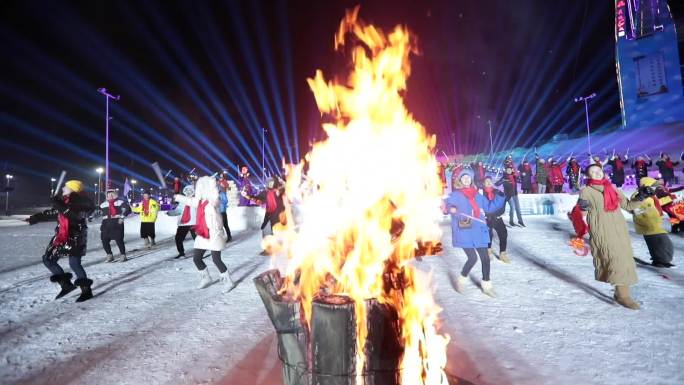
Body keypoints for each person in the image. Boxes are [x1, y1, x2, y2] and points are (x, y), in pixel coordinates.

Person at [574, 164, 642, 310]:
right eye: (593, 172)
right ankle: (623, 295)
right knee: (615, 259)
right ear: (588, 176)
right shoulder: (586, 191)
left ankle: (620, 293)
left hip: (619, 229)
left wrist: (642, 196)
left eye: (598, 171)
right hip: (602, 229)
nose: (597, 173)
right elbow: (581, 213)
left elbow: (628, 206)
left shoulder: (613, 188)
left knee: (624, 258)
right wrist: (581, 208)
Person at [444, 168, 505, 296]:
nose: (466, 179)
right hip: (464, 231)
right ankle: (462, 280)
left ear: (471, 180)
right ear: (460, 180)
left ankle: (487, 286)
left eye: (468, 177)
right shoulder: (456, 195)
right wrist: (451, 208)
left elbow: (489, 207)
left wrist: (500, 197)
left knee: (485, 259)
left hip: (478, 230)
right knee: (472, 258)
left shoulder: (477, 194)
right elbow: (447, 205)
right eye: (463, 177)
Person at [174, 176, 233, 289]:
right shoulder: (199, 202)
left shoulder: (213, 202)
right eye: (199, 188)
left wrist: (212, 185)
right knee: (196, 258)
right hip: (202, 233)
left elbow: (215, 198)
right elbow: (190, 200)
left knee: (216, 259)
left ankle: (228, 282)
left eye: (201, 188)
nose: (200, 190)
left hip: (214, 234)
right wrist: (177, 196)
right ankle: (206, 278)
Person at [42, 180, 95, 302]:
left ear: (73, 189)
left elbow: (74, 215)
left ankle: (86, 291)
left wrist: (58, 204)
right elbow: (55, 213)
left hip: (75, 236)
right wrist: (33, 218)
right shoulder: (64, 201)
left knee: (74, 264)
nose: (63, 188)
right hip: (61, 235)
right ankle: (66, 285)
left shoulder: (83, 201)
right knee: (48, 259)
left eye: (65, 186)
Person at [630, 178, 674, 268]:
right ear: (647, 185)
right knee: (663, 243)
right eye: (653, 185)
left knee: (658, 244)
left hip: (654, 224)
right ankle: (662, 261)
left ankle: (659, 260)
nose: (655, 187)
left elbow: (655, 204)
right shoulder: (639, 195)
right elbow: (634, 207)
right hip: (648, 224)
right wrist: (643, 213)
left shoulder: (650, 195)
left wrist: (668, 198)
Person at [99, 189, 130, 262]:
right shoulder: (103, 204)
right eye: (108, 194)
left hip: (117, 223)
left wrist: (122, 217)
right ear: (106, 196)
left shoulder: (120, 203)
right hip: (106, 224)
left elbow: (128, 209)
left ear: (115, 195)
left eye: (112, 194)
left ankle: (123, 255)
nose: (110, 196)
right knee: (104, 240)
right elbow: (97, 211)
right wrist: (91, 216)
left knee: (119, 240)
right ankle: (109, 255)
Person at [483, 177, 509, 263]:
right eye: (486, 181)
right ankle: (488, 250)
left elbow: (503, 202)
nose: (488, 182)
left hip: (497, 217)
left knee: (503, 233)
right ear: (484, 183)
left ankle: (502, 253)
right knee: (488, 235)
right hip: (487, 218)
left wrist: (501, 212)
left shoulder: (497, 191)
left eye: (490, 181)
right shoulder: (481, 192)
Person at [167, 185, 197, 258]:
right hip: (183, 223)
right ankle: (181, 253)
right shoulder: (182, 201)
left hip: (193, 222)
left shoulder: (196, 200)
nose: (188, 192)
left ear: (193, 192)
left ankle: (200, 253)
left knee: (197, 239)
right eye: (187, 191)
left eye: (190, 191)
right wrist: (170, 213)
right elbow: (178, 211)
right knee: (178, 238)